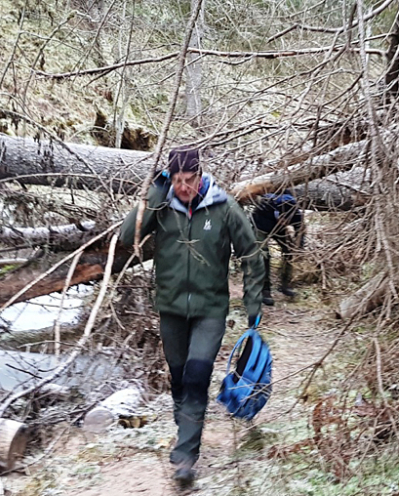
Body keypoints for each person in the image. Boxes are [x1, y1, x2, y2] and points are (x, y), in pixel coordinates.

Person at [119, 147, 265, 486]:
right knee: (180, 378)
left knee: (197, 376)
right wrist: (157, 189)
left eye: (190, 180)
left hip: (210, 310)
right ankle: (185, 424)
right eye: (178, 181)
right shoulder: (163, 204)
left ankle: (186, 457)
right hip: (170, 308)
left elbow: (252, 256)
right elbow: (128, 236)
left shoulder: (224, 207)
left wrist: (253, 305)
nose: (184, 188)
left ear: (201, 176)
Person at [252, 192, 304, 306]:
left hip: (279, 229)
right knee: (263, 256)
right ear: (278, 213)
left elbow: (301, 232)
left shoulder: (295, 214)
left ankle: (285, 284)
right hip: (261, 225)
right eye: (282, 218)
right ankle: (265, 290)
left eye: (287, 220)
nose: (285, 221)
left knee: (288, 251)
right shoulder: (265, 207)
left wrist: (299, 248)